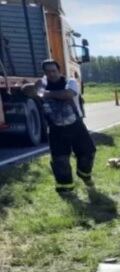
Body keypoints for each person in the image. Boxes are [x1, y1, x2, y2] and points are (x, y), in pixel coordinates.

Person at [29, 59, 96, 194]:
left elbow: (68, 94)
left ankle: (84, 174)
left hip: (76, 126)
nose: (51, 74)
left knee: (88, 153)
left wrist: (46, 93)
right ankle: (65, 189)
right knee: (60, 160)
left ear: (59, 71)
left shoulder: (70, 82)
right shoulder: (41, 84)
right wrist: (32, 88)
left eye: (54, 71)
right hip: (55, 129)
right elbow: (28, 92)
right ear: (44, 73)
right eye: (48, 72)